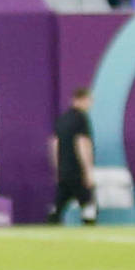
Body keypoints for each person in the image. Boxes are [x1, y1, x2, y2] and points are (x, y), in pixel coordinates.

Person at [49, 86, 96, 224]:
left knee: (59, 205)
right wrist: (88, 170)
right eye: (89, 100)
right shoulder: (81, 118)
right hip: (77, 170)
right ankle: (90, 230)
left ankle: (51, 225)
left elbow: (54, 145)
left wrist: (57, 168)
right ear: (81, 100)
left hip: (64, 170)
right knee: (88, 204)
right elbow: (82, 143)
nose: (90, 104)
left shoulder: (62, 119)